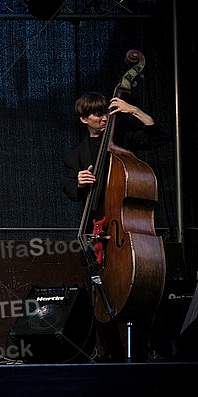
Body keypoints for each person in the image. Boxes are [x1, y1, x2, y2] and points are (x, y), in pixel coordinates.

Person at [62, 92, 171, 362]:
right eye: (97, 114)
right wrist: (77, 181)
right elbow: (67, 187)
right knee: (100, 290)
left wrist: (132, 110)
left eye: (106, 112)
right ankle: (112, 352)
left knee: (139, 287)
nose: (103, 117)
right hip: (98, 230)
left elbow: (161, 137)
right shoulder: (75, 155)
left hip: (126, 231)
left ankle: (145, 350)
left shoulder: (124, 140)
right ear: (83, 119)